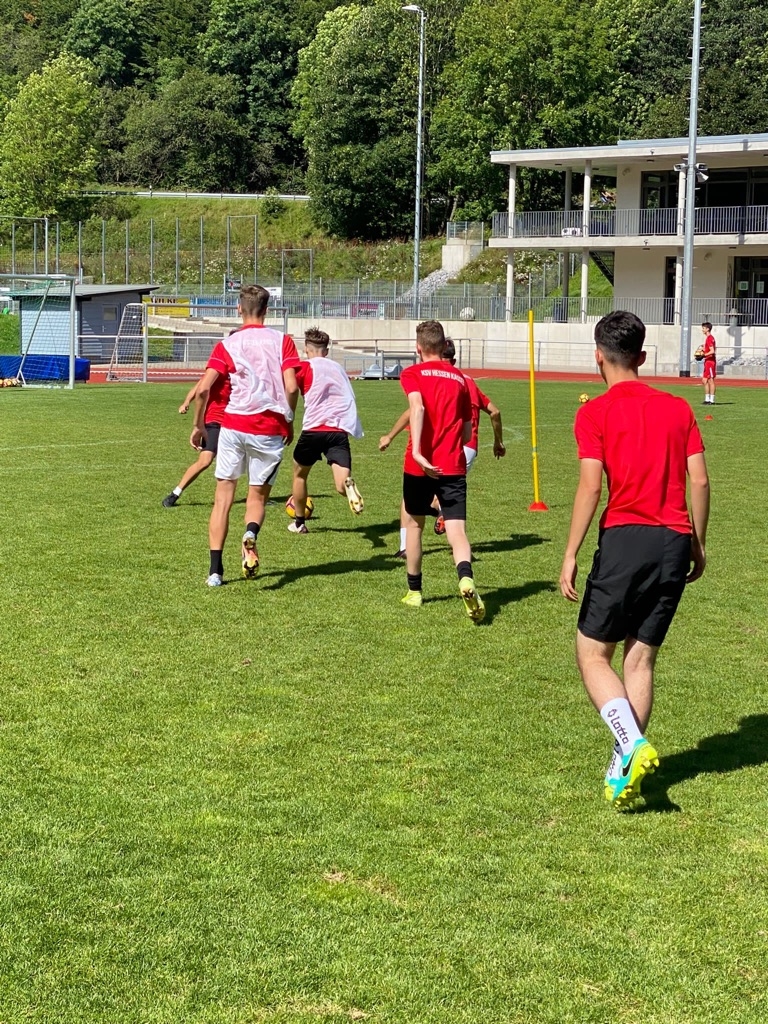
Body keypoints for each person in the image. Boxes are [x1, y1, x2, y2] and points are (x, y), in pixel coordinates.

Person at [559, 310, 710, 810]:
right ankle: (623, 767)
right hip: (674, 541)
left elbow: (590, 486)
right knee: (640, 657)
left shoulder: (594, 413)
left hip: (626, 538)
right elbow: (699, 480)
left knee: (591, 653)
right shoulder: (679, 408)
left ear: (597, 356)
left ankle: (631, 745)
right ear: (642, 357)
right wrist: (697, 542)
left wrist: (570, 552)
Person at [190, 284, 300, 586]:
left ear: (239, 309)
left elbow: (203, 389)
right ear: (267, 310)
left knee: (223, 499)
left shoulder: (228, 343)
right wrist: (289, 418)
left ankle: (215, 572)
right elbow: (292, 387)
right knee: (257, 497)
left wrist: (199, 425)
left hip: (233, 425)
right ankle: (250, 532)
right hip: (269, 427)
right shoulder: (283, 341)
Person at [379, 338, 505, 549]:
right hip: (466, 448)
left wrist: (390, 436)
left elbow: (414, 410)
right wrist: (498, 442)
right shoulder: (465, 380)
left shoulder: (425, 375)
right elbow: (495, 411)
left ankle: (406, 546)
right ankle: (444, 517)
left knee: (412, 497)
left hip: (437, 443)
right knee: (446, 492)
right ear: (454, 360)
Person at [399, 320, 484, 622]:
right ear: (444, 345)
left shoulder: (412, 373)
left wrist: (419, 452)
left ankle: (414, 592)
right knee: (457, 531)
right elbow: (466, 432)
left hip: (419, 465)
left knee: (414, 526)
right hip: (453, 464)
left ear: (418, 348)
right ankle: (465, 578)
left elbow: (417, 408)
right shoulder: (460, 379)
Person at [289, 327, 364, 534]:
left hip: (314, 428)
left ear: (306, 349)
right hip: (338, 430)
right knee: (340, 484)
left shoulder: (304, 367)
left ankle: (299, 523)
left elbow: (290, 387)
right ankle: (348, 486)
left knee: (299, 474)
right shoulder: (338, 368)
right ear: (327, 351)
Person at [162, 372, 230, 507]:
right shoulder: (221, 367)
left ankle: (258, 496)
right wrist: (186, 402)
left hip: (236, 422)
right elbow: (200, 387)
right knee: (205, 461)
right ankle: (175, 493)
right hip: (215, 421)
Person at [701, 322, 717, 404]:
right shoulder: (708, 338)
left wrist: (704, 355)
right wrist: (703, 350)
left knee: (710, 380)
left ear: (708, 329)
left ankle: (712, 400)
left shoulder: (710, 338)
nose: (702, 330)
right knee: (704, 380)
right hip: (707, 361)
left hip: (710, 362)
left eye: (703, 328)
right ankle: (707, 399)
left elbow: (712, 351)